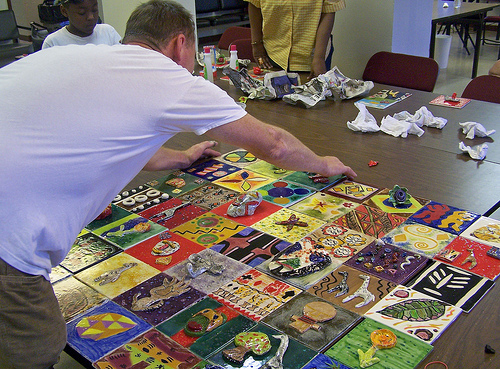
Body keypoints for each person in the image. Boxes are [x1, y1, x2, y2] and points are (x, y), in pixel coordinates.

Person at [0, 1, 356, 367]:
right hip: (8, 241)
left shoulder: (81, 60)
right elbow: (274, 144)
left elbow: (120, 141)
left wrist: (182, 158)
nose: (194, 65)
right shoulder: (165, 76)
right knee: (37, 348)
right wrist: (323, 163)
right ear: (179, 44)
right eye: (193, 54)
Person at [245, 0, 345, 80]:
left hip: (313, 55)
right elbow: (254, 4)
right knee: (268, 103)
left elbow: (329, 11)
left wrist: (319, 58)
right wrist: (256, 44)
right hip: (273, 54)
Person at [42, 0, 121, 49]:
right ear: (64, 11)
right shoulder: (53, 43)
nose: (91, 17)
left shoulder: (108, 33)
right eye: (82, 13)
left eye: (94, 10)